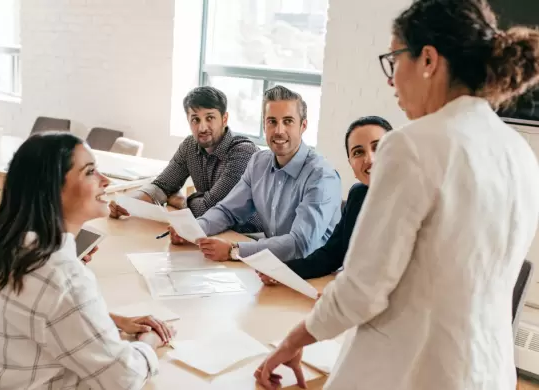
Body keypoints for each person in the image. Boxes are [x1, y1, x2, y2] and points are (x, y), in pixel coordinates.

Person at [255, 1, 539, 389]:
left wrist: (293, 339)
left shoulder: (413, 145)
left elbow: (363, 290)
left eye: (394, 59)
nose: (391, 80)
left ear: (427, 59)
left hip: (412, 371)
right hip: (488, 373)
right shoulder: (519, 152)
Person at [0, 132, 175, 389]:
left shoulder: (22, 248)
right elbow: (122, 378)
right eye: (90, 172)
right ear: (53, 188)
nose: (106, 180)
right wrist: (148, 342)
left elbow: (49, 315)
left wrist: (107, 319)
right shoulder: (61, 275)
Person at [171, 86, 342, 263]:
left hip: (316, 275)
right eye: (272, 121)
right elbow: (227, 211)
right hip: (272, 268)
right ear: (264, 125)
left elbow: (300, 244)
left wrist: (234, 250)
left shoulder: (321, 176)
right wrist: (193, 230)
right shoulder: (258, 162)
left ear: (303, 126)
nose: (279, 130)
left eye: (288, 121)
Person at [258, 116, 392, 285]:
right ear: (350, 164)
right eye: (358, 152)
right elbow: (332, 254)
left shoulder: (419, 197)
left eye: (378, 147)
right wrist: (283, 271)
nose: (370, 159)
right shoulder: (358, 195)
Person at [109, 86, 263, 233]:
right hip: (210, 231)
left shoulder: (243, 152)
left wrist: (181, 201)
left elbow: (211, 209)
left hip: (247, 236)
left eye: (210, 118)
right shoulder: (190, 145)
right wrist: (127, 203)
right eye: (195, 120)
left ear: (224, 119)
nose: (202, 128)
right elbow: (162, 185)